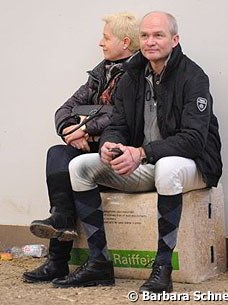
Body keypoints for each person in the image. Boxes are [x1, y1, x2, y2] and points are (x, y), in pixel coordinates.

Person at [51, 11, 222, 292]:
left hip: (194, 165)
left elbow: (193, 140)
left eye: (158, 35)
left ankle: (162, 267)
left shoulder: (194, 77)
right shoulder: (131, 76)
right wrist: (110, 145)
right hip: (143, 163)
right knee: (79, 166)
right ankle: (98, 263)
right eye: (145, 35)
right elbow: (117, 124)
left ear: (175, 39)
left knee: (167, 167)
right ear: (138, 40)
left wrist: (141, 153)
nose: (150, 41)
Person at [22, 12, 139, 283]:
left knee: (68, 166)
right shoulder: (100, 73)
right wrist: (67, 130)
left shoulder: (136, 75)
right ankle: (59, 248)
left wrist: (85, 128)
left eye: (105, 37)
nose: (100, 43)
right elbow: (65, 108)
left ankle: (60, 257)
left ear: (124, 42)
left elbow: (121, 115)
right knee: (58, 153)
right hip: (89, 149)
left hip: (119, 153)